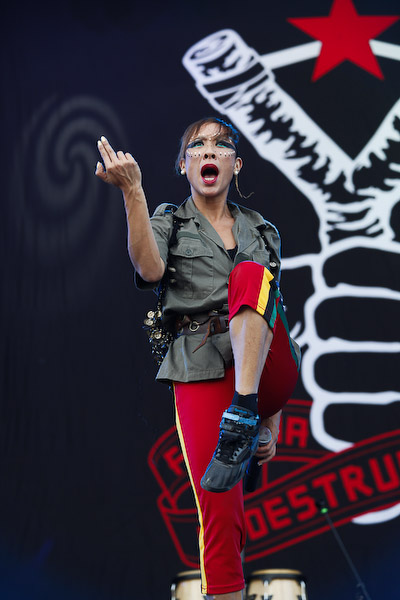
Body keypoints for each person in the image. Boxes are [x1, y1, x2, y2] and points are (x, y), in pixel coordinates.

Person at [95, 117, 300, 600]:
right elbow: (149, 268)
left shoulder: (263, 231)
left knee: (251, 277)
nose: (209, 151)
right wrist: (133, 192)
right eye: (198, 146)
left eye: (220, 145)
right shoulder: (170, 221)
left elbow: (274, 310)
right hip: (201, 362)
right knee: (218, 505)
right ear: (185, 165)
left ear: (236, 164)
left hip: (264, 372)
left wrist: (269, 420)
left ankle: (244, 415)